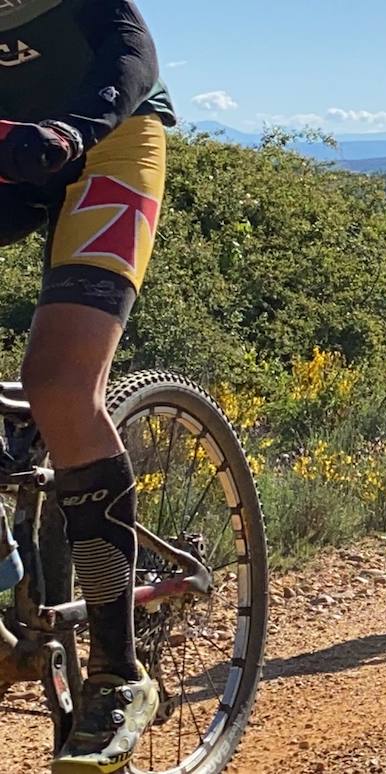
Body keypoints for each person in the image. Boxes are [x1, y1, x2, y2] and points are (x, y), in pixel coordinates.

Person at [0, 1, 176, 770]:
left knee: (61, 385)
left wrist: (77, 126)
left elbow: (128, 42)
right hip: (9, 154)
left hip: (108, 139)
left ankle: (116, 672)